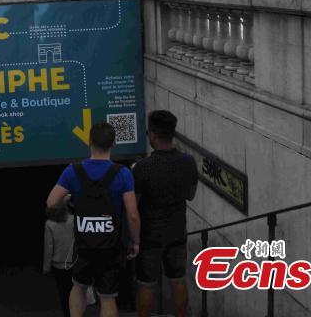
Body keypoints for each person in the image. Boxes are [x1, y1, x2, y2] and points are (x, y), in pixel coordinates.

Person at [46, 122, 141, 317]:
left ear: (89, 141)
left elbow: (51, 203)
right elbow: (132, 214)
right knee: (107, 296)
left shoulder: (73, 171)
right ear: (113, 144)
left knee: (79, 286)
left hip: (84, 244)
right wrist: (135, 241)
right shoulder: (123, 173)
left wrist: (70, 199)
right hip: (111, 246)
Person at [133, 110, 198, 317]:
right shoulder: (188, 162)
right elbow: (190, 195)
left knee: (146, 284)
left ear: (152, 135)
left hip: (149, 236)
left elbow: (134, 204)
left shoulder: (142, 167)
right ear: (173, 133)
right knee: (178, 280)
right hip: (177, 232)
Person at [44, 198, 76, 317]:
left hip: (58, 263)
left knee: (63, 293)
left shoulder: (49, 223)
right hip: (74, 261)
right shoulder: (74, 220)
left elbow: (49, 246)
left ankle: (67, 314)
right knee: (76, 292)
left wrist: (46, 267)